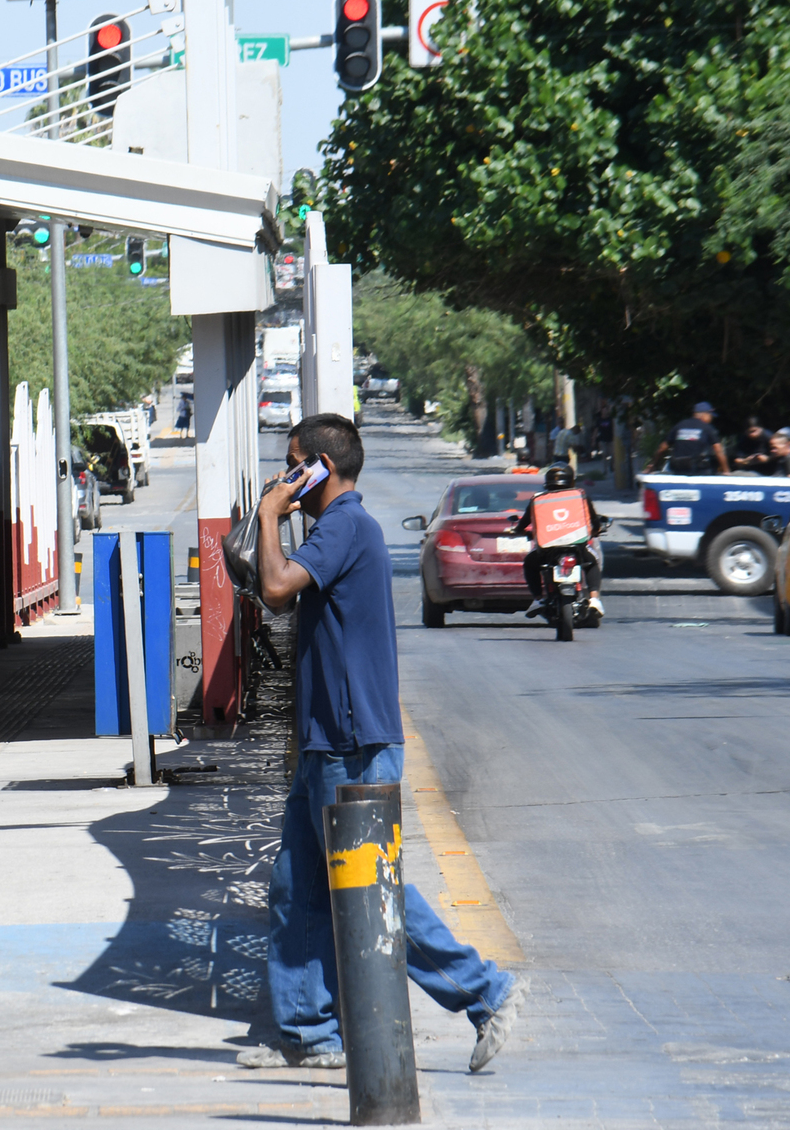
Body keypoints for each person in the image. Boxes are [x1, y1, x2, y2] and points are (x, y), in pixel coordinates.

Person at [245, 413, 528, 1072]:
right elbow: (283, 598)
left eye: (292, 463)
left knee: (371, 888)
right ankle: (310, 1033)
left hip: (352, 741)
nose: (285, 476)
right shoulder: (333, 529)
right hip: (326, 740)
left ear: (316, 466)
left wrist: (267, 514)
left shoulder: (347, 526)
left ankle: (487, 991)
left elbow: (277, 588)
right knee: (298, 889)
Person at [511, 464, 607, 619]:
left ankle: (538, 599)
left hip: (548, 550)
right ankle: (594, 599)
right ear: (570, 481)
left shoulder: (538, 500)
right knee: (592, 561)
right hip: (577, 548)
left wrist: (518, 530)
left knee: (530, 562)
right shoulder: (580, 496)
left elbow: (523, 524)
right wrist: (597, 529)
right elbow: (594, 521)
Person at [652, 401, 730, 475]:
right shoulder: (707, 428)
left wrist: (652, 465)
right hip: (698, 470)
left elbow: (662, 448)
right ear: (705, 414)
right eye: (710, 416)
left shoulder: (680, 425)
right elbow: (718, 450)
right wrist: (726, 471)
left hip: (677, 468)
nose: (711, 419)